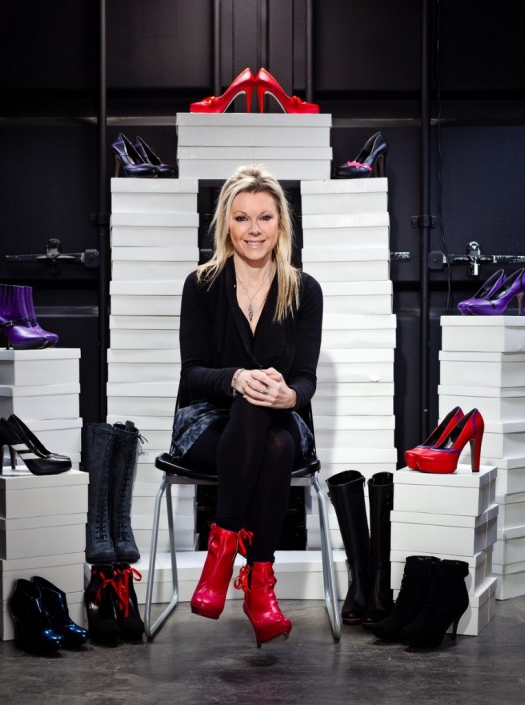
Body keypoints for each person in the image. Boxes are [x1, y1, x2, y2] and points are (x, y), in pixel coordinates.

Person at [170, 164, 323, 647]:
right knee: (261, 422)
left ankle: (220, 557)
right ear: (225, 224)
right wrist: (237, 378)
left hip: (283, 418)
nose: (253, 230)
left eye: (264, 218)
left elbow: (306, 378)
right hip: (208, 426)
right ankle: (260, 580)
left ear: (281, 224)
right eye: (241, 218)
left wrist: (291, 395)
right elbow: (192, 372)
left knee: (270, 421)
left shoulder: (304, 289)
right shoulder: (202, 285)